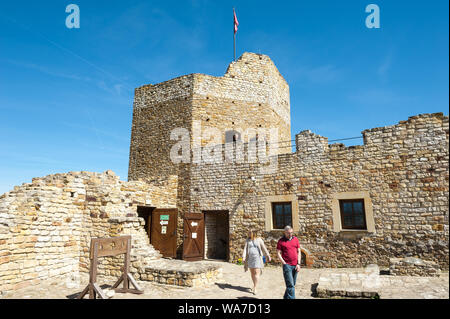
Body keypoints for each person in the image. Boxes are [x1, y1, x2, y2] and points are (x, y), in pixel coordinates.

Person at [242, 229, 271, 295]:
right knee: (252, 273)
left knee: (257, 272)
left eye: (250, 232)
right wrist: (243, 256)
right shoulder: (247, 240)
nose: (248, 233)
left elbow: (264, 248)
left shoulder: (259, 239)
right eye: (248, 232)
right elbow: (245, 249)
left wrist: (268, 255)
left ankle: (255, 287)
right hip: (250, 258)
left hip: (257, 258)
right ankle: (254, 284)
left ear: (253, 233)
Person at [277, 225, 301, 299]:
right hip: (287, 265)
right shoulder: (281, 241)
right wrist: (284, 263)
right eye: (288, 233)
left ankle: (286, 297)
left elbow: (299, 251)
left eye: (291, 232)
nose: (290, 234)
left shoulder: (296, 239)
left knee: (292, 284)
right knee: (290, 285)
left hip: (295, 265)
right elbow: (278, 253)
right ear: (285, 232)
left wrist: (299, 264)